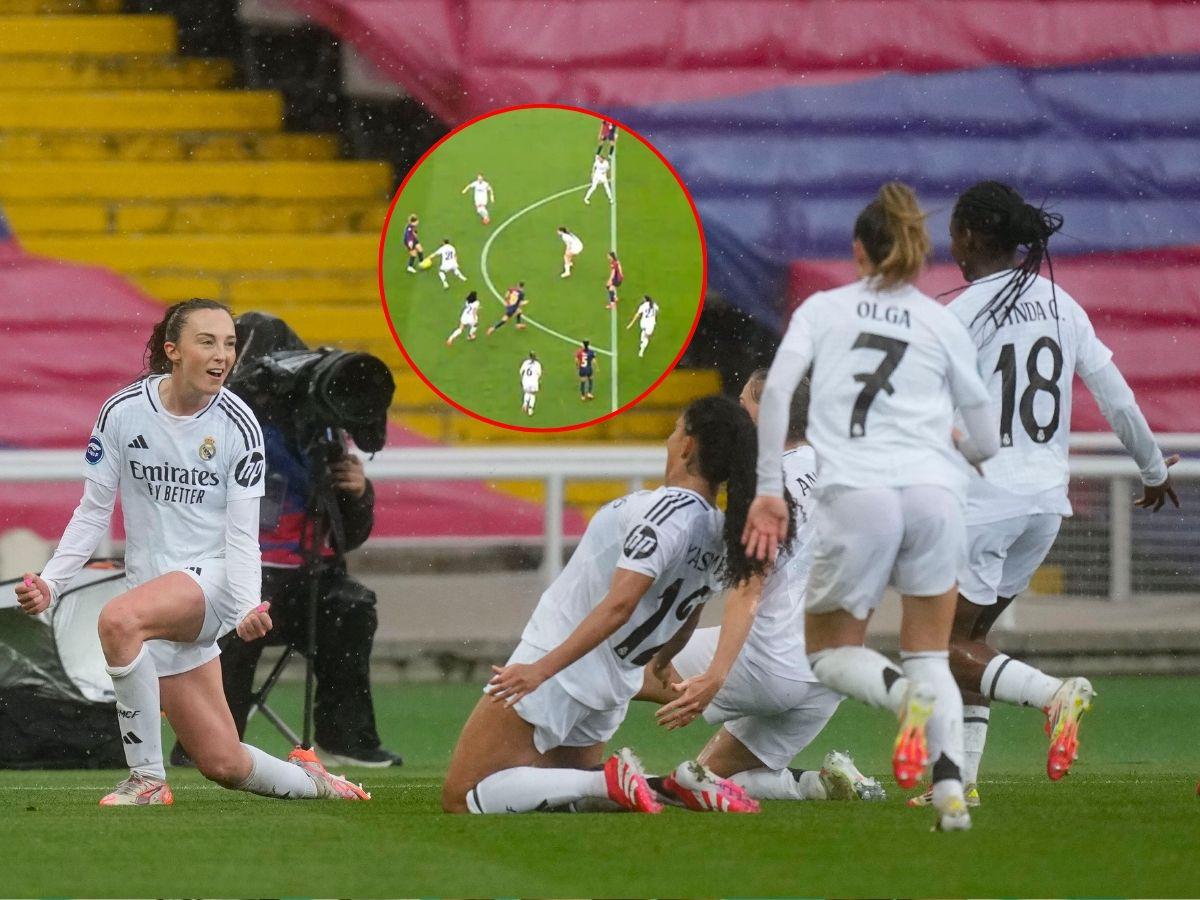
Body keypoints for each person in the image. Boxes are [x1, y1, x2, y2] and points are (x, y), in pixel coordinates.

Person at [14, 299, 369, 805]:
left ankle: (146, 780)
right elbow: (93, 512)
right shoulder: (122, 412)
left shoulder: (238, 425)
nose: (222, 354)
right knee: (224, 762)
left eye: (229, 344)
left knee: (118, 620)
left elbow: (243, 535)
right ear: (173, 350)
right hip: (155, 590)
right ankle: (316, 783)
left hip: (215, 582)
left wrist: (246, 605)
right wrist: (53, 581)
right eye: (207, 342)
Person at [905, 181, 1181, 807]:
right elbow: (1116, 397)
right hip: (1044, 505)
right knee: (972, 642)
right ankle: (959, 783)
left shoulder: (961, 315)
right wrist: (1152, 469)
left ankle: (1055, 695)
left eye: (954, 234)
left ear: (971, 235)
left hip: (982, 503)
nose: (952, 246)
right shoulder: (1062, 304)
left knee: (938, 647)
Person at [743, 182, 999, 831]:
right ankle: (950, 795)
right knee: (930, 654)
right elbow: (988, 441)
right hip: (935, 496)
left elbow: (776, 395)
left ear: (858, 250)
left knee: (829, 654)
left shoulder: (824, 310)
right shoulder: (941, 320)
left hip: (861, 493)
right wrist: (957, 444)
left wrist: (769, 489)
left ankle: (903, 699)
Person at [441, 395, 767, 815]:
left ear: (688, 445)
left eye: (674, 432)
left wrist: (540, 669)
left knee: (462, 796)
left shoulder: (665, 511)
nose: (669, 441)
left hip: (563, 660)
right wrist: (664, 661)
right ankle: (667, 787)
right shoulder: (720, 531)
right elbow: (689, 612)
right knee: (560, 797)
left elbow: (620, 605)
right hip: (615, 682)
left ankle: (615, 780)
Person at [637, 371, 885, 806]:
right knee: (697, 780)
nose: (737, 415)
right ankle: (816, 784)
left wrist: (715, 675)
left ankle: (547, 774)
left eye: (743, 405)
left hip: (770, 661)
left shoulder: (766, 483)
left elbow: (749, 589)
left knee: (606, 664)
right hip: (831, 672)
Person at [180, 421, 402, 770]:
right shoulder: (231, 420)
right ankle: (207, 743)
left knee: (352, 608)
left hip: (313, 575)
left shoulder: (324, 430)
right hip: (233, 569)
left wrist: (359, 494)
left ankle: (347, 738)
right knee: (230, 615)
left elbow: (350, 536)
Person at [519, 352, 543, 417]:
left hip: (525, 381)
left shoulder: (525, 362)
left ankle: (525, 404)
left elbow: (521, 372)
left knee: (527, 392)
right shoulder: (537, 364)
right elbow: (539, 374)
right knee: (532, 394)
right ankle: (530, 409)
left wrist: (522, 378)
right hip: (533, 382)